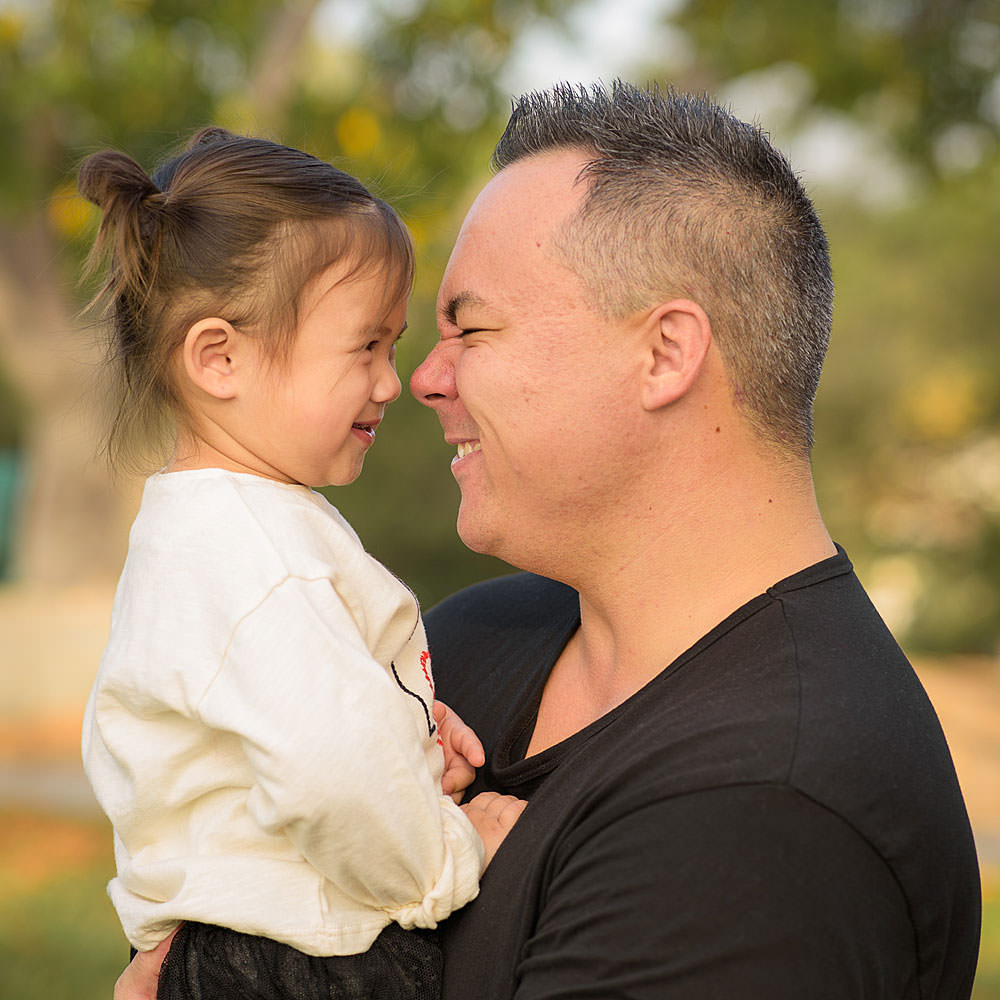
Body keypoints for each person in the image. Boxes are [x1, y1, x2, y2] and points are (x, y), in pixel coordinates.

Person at [118, 82, 982, 1000]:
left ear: (664, 354)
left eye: (472, 329)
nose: (423, 381)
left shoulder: (766, 811)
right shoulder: (478, 640)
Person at [80, 127, 524, 1000]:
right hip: (302, 958)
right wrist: (451, 851)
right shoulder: (258, 551)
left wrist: (407, 734)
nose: (392, 382)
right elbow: (331, 765)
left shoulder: (210, 530)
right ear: (220, 358)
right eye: (365, 347)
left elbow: (298, 738)